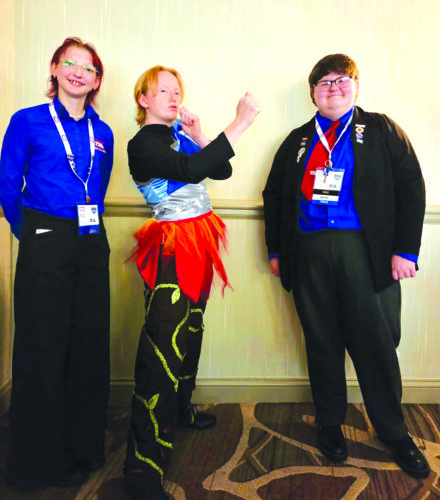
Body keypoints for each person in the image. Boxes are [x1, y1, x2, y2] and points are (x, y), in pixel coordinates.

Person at [263, 54, 430, 479]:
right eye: (324, 82)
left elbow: (411, 186)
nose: (333, 88)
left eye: (342, 80)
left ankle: (394, 432)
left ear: (356, 86)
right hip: (309, 251)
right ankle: (330, 423)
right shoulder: (298, 140)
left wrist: (405, 250)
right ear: (313, 93)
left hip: (365, 251)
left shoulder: (381, 129)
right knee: (321, 341)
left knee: (376, 344)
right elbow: (274, 195)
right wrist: (276, 251)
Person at [124, 65, 259, 500]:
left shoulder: (177, 135)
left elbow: (220, 172)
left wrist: (200, 133)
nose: (173, 96)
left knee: (191, 331)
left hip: (199, 240)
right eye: (163, 90)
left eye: (177, 90)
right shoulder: (143, 143)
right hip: (171, 247)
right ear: (143, 99)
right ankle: (142, 472)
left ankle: (180, 409)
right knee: (162, 349)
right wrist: (238, 123)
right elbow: (191, 169)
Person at [0, 37, 114, 490]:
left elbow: (99, 185)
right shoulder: (27, 121)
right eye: (71, 63)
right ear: (54, 68)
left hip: (91, 240)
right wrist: (32, 234)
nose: (79, 72)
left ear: (97, 81)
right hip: (44, 237)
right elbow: (8, 188)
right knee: (42, 348)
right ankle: (37, 464)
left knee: (88, 345)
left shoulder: (102, 131)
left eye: (89, 68)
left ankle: (82, 448)